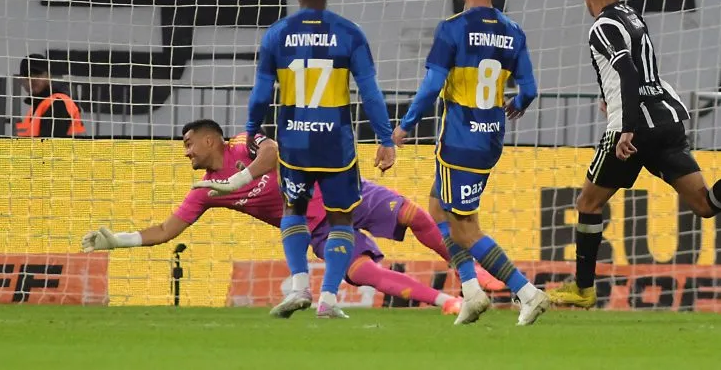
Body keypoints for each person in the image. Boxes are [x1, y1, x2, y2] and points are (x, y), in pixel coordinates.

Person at [547, 0, 721, 308]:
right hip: (667, 119)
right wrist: (611, 96)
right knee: (704, 204)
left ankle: (583, 289)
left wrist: (627, 126)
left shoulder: (602, 26)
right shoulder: (632, 17)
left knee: (588, 204)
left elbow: (628, 72)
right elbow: (638, 73)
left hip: (633, 128)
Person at [82, 120, 463, 315]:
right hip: (315, 227)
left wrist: (236, 181)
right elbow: (166, 230)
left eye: (188, 144)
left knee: (414, 214)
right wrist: (120, 240)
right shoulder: (205, 191)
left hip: (340, 191)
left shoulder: (244, 140)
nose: (186, 153)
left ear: (210, 139)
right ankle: (448, 302)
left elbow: (273, 152)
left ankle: (469, 275)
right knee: (363, 273)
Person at [392, 0, 549, 326]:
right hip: (491, 135)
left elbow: (431, 87)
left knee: (466, 228)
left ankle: (527, 292)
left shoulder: (453, 28)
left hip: (461, 141)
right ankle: (472, 290)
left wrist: (405, 125)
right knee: (436, 206)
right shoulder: (514, 32)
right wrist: (516, 103)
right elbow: (529, 89)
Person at [245, 0, 396, 319]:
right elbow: (370, 92)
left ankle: (299, 287)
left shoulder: (277, 33)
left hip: (295, 143)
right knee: (341, 219)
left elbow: (262, 91)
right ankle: (328, 298)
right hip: (335, 145)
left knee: (293, 209)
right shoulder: (349, 33)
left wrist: (252, 129)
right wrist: (385, 138)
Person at [14, 54, 85, 138]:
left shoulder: (58, 103)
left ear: (48, 76)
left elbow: (49, 146)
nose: (32, 79)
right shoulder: (39, 106)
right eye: (27, 75)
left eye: (37, 74)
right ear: (21, 80)